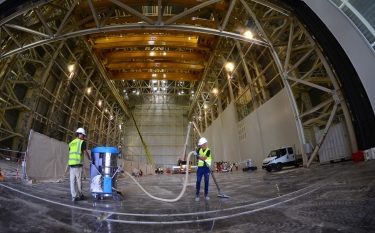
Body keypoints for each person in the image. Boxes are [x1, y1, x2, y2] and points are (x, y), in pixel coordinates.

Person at [68, 127, 90, 202]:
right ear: (80, 134)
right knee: (78, 180)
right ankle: (80, 195)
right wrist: (90, 159)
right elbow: (85, 152)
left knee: (72, 181)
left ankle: (74, 197)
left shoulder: (71, 143)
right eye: (83, 135)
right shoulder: (81, 142)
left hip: (71, 164)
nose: (84, 137)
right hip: (77, 164)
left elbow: (70, 152)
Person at [195, 137, 212, 201]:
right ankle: (197, 195)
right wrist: (197, 155)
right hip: (200, 168)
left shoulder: (208, 150)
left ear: (204, 144)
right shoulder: (199, 149)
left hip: (207, 168)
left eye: (201, 145)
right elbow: (197, 157)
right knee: (198, 181)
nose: (200, 146)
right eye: (200, 145)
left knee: (206, 181)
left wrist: (198, 156)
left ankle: (206, 194)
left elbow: (204, 158)